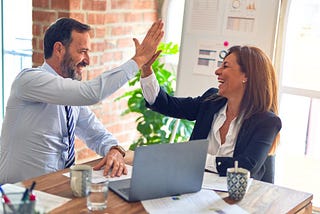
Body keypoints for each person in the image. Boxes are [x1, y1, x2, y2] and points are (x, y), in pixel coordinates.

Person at [0, 17, 164, 184]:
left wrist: (114, 149)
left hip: (55, 189)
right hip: (18, 195)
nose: (88, 61)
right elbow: (90, 93)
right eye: (82, 51)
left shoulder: (69, 97)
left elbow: (96, 134)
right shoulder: (29, 80)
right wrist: (138, 60)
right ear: (59, 49)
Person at [140, 45, 281, 183]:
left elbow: (246, 166)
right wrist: (146, 70)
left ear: (246, 75)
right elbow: (167, 104)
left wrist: (196, 158)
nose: (217, 71)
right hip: (193, 186)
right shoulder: (211, 101)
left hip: (237, 197)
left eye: (225, 66)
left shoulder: (267, 121)